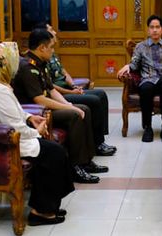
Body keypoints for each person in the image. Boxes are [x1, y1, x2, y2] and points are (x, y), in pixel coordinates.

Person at [0, 42, 74, 226]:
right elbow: (14, 126)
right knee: (53, 153)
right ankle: (40, 211)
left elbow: (12, 112)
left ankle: (47, 205)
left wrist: (30, 117)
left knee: (53, 151)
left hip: (1, 139)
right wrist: (37, 131)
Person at [13, 28, 106, 184]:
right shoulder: (27, 67)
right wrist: (70, 108)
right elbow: (40, 99)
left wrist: (68, 104)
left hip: (46, 107)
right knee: (75, 115)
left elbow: (51, 89)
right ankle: (75, 167)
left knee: (83, 109)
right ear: (42, 48)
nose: (53, 51)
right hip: (36, 112)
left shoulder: (40, 63)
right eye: (51, 47)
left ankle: (86, 161)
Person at [33, 22, 116, 156]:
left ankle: (99, 140)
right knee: (91, 103)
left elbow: (62, 73)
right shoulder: (36, 63)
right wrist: (70, 97)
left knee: (100, 94)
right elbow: (49, 90)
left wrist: (73, 86)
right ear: (42, 45)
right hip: (54, 98)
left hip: (61, 93)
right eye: (50, 30)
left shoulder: (48, 56)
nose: (54, 32)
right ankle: (90, 151)